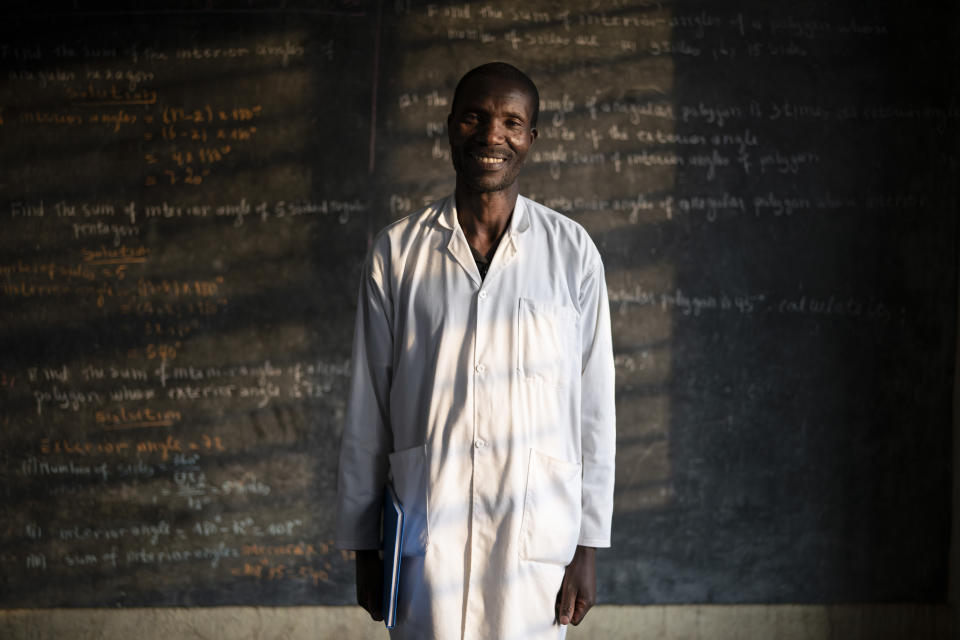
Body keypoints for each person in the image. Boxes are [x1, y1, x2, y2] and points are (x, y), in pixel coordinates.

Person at [335, 61, 616, 640]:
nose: (492, 135)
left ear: (531, 139)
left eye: (512, 121)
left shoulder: (572, 254)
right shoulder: (398, 253)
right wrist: (365, 543)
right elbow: (368, 406)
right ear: (450, 128)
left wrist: (589, 542)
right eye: (475, 117)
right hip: (426, 535)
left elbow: (596, 407)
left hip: (534, 540)